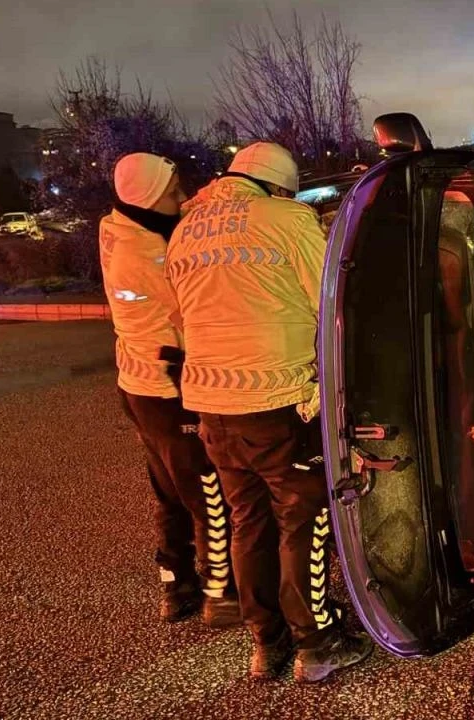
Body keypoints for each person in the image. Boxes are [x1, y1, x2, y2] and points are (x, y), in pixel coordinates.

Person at [165, 142, 373, 682]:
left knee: (247, 521)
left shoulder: (187, 229)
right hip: (279, 400)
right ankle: (318, 643)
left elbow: (179, 316)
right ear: (279, 186)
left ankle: (267, 642)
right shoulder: (287, 218)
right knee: (303, 521)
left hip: (212, 406)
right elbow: (331, 300)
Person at [101, 153, 240, 626]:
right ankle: (222, 594)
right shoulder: (146, 255)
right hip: (168, 388)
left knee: (170, 492)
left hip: (139, 385)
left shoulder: (121, 226)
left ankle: (176, 584)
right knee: (207, 494)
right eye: (173, 190)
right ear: (148, 197)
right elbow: (195, 308)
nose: (182, 197)